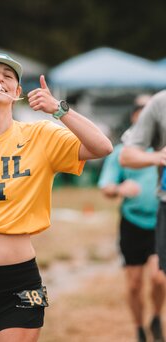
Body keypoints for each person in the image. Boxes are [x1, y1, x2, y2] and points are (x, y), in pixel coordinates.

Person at [0, 52, 113, 342]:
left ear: (17, 92)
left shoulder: (41, 135)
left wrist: (59, 109)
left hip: (18, 281)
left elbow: (102, 147)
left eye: (7, 76)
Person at [98, 94, 166, 342]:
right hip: (132, 222)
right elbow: (106, 187)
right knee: (135, 284)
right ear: (135, 117)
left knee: (159, 278)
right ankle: (139, 328)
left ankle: (157, 317)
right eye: (142, 111)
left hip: (160, 220)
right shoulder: (122, 153)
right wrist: (119, 189)